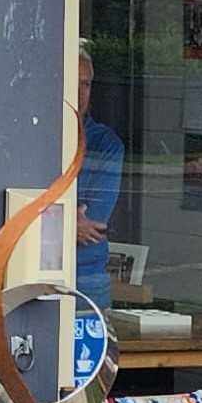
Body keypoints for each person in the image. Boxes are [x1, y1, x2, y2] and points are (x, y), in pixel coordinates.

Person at [70, 47, 125, 317]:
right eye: (72, 81)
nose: (80, 93)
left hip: (88, 285)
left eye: (86, 84)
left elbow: (94, 224)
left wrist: (52, 219)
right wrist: (68, 222)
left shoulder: (106, 143)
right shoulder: (35, 136)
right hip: (32, 279)